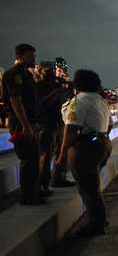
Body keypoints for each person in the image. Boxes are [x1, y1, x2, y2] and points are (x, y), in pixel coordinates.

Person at [57, 69, 113, 236]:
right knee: (93, 186)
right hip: (103, 143)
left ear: (78, 84)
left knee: (88, 188)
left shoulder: (78, 101)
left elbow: (72, 127)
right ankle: (100, 219)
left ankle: (96, 226)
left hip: (85, 147)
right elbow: (110, 125)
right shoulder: (101, 101)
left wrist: (63, 152)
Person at [2, 44, 48, 205]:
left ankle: (33, 191)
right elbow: (15, 100)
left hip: (31, 121)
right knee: (28, 158)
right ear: (19, 56)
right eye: (30, 56)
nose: (34, 59)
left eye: (34, 56)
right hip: (22, 122)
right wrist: (26, 125)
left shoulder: (26, 74)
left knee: (34, 158)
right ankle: (27, 195)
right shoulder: (14, 74)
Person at [36, 61, 63, 194]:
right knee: (46, 154)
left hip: (60, 120)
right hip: (47, 122)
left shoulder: (57, 84)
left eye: (52, 70)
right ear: (40, 72)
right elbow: (40, 103)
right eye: (47, 71)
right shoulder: (38, 86)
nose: (51, 73)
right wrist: (55, 93)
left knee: (61, 151)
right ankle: (44, 183)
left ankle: (59, 178)